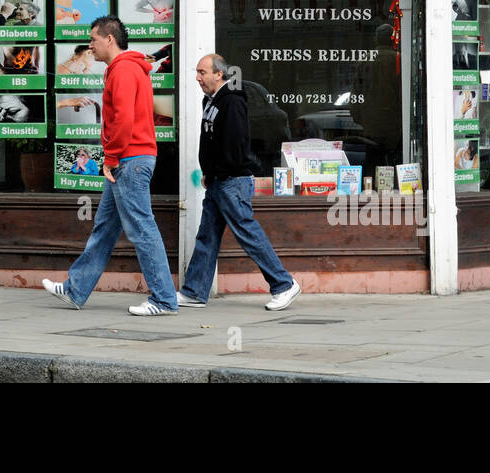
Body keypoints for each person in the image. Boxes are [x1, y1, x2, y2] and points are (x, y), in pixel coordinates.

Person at [42, 16, 179, 315]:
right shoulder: (126, 68)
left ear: (109, 39)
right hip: (129, 158)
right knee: (105, 228)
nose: (90, 45)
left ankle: (164, 299)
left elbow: (123, 120)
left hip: (129, 160)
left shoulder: (124, 71)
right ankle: (75, 288)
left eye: (93, 39)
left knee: (142, 228)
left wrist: (112, 158)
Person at [178, 54, 301, 310]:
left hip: (231, 181)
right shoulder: (210, 101)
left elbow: (234, 143)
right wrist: (209, 173)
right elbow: (212, 142)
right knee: (207, 236)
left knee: (247, 233)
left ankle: (284, 284)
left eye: (202, 72)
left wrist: (220, 172)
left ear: (218, 74)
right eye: (197, 72)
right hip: (218, 181)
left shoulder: (231, 101)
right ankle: (194, 291)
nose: (198, 77)